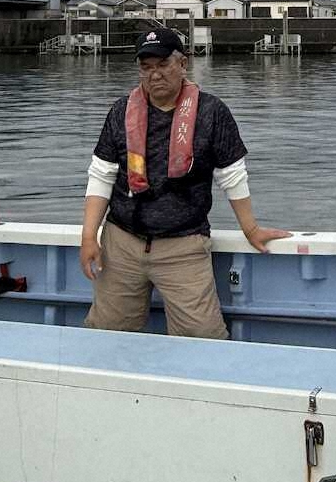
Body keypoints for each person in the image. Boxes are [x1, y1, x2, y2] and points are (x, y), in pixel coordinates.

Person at [80, 26, 291, 338]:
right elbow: (102, 174)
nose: (155, 76)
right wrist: (88, 237)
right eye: (146, 67)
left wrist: (250, 228)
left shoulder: (211, 112)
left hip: (184, 245)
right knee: (107, 334)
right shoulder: (121, 111)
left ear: (183, 63)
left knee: (203, 337)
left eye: (163, 65)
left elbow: (232, 174)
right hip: (121, 242)